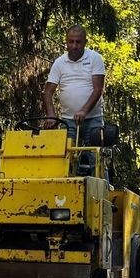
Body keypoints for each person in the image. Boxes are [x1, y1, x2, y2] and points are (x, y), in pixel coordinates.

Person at [43, 25, 106, 174]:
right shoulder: (59, 62)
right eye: (71, 42)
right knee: (67, 159)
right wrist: (51, 114)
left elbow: (98, 89)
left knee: (96, 159)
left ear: (85, 42)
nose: (74, 46)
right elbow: (48, 91)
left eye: (78, 42)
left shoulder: (94, 58)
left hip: (93, 118)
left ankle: (101, 192)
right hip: (68, 120)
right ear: (66, 42)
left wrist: (84, 111)